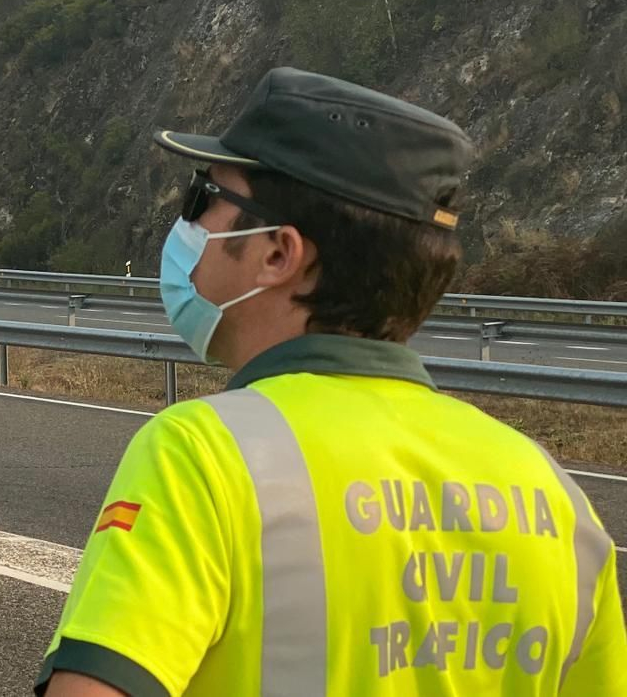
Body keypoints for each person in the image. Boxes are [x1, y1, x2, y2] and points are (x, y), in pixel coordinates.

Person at [38, 68, 625, 696]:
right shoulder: (555, 497)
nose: (188, 226)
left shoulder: (204, 454)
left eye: (203, 198)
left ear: (278, 253)